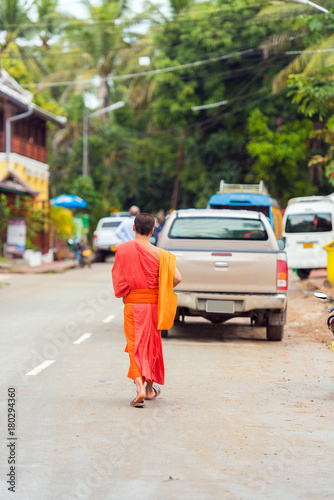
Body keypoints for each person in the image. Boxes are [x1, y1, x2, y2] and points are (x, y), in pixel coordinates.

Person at [112, 213, 182, 407]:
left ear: (133, 228)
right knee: (152, 345)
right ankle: (150, 389)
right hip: (154, 306)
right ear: (153, 231)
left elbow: (119, 282)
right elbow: (177, 279)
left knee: (134, 347)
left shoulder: (123, 250)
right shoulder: (163, 255)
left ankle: (140, 389)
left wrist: (126, 294)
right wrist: (161, 289)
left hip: (133, 305)